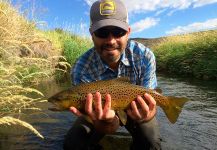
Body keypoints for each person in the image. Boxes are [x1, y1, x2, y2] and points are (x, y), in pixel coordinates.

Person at [64, 0, 161, 149]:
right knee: (73, 143)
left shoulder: (144, 56)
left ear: (128, 33)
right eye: (102, 32)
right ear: (91, 34)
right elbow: (109, 126)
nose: (110, 40)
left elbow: (151, 105)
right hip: (99, 115)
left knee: (151, 143)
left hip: (136, 110)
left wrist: (147, 114)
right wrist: (108, 122)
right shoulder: (81, 68)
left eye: (118, 32)